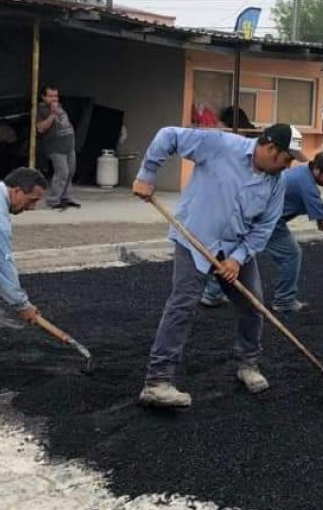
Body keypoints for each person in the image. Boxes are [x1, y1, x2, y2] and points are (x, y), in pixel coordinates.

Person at [131, 123, 305, 409]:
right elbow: (168, 136)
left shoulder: (276, 184)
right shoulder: (221, 146)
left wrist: (237, 257)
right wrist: (147, 174)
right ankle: (157, 381)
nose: (288, 166)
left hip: (235, 248)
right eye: (287, 159)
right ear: (271, 148)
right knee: (182, 305)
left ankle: (248, 364)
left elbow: (264, 227)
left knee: (253, 306)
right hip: (195, 239)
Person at [201, 151, 323, 313]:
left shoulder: (302, 174)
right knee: (291, 255)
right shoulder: (307, 186)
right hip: (268, 219)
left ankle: (211, 294)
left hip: (254, 212)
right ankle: (284, 300)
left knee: (234, 252)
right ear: (317, 169)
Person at [0, 168, 49, 386]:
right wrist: (22, 305)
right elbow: (3, 265)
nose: (32, 207)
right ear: (16, 191)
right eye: (31, 200)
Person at [35, 86, 78, 210]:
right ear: (43, 97)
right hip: (55, 148)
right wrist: (52, 114)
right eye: (51, 96)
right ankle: (53, 200)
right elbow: (40, 128)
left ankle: (65, 197)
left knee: (70, 172)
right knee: (62, 173)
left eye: (56, 96)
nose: (54, 99)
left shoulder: (60, 107)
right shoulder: (41, 109)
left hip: (69, 146)